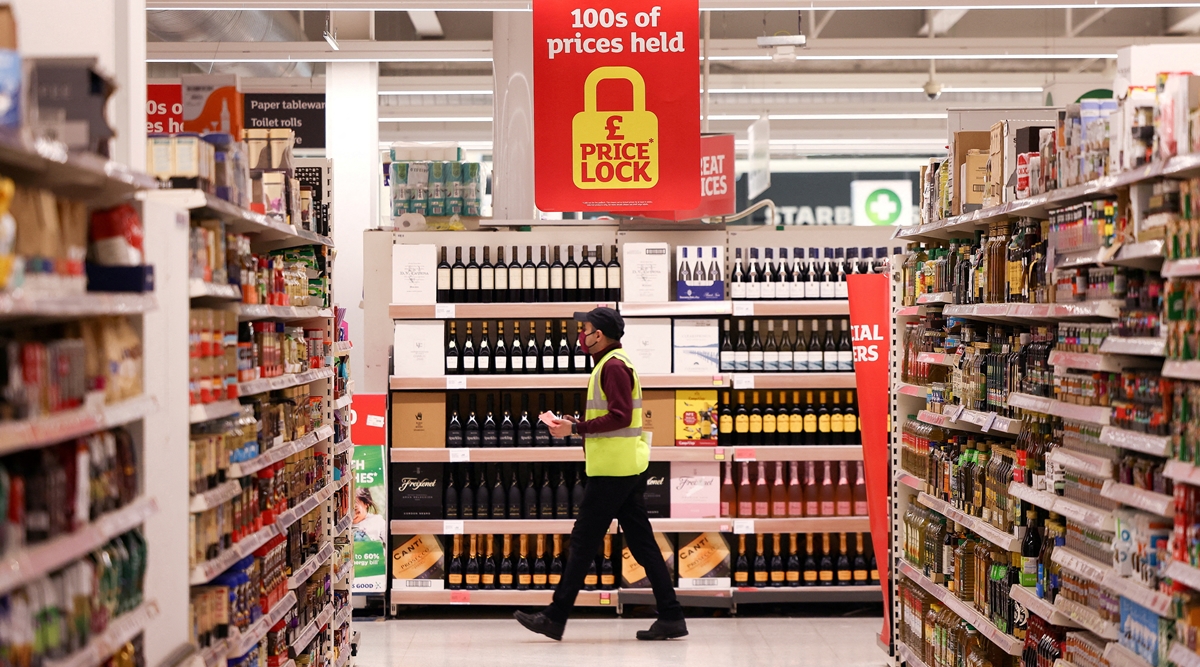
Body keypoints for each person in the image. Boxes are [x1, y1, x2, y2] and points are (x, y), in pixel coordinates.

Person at [514, 307, 686, 642]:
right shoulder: (612, 364)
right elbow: (614, 415)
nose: (582, 335)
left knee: (583, 541)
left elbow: (620, 416)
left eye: (586, 329)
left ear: (601, 335)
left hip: (613, 471)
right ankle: (671, 615)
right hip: (623, 466)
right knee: (641, 541)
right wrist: (576, 423)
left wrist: (575, 427)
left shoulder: (614, 366)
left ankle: (555, 616)